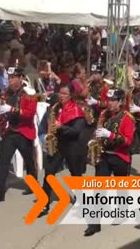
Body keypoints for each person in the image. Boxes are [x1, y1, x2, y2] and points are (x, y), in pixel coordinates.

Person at [84, 88, 136, 236]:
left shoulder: (128, 118)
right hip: (104, 155)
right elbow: (98, 130)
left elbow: (128, 141)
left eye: (113, 100)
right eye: (109, 100)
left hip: (120, 156)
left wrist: (110, 135)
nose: (110, 103)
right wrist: (94, 140)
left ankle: (122, 212)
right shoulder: (104, 114)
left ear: (120, 102)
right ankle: (95, 224)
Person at [0, 67, 38, 203]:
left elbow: (29, 114)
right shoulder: (7, 92)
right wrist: (2, 117)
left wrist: (11, 109)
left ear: (21, 78)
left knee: (29, 161)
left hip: (24, 131)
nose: (10, 80)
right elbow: (4, 110)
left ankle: (33, 185)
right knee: (3, 161)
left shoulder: (29, 93)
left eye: (13, 78)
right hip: (11, 131)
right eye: (9, 78)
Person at [39, 84, 87, 215]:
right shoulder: (56, 108)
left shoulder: (77, 110)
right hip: (58, 145)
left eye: (65, 94)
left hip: (72, 146)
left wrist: (61, 127)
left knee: (76, 175)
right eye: (60, 93)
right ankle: (45, 203)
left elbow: (76, 132)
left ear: (71, 95)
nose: (61, 96)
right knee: (49, 172)